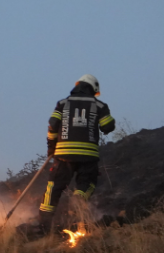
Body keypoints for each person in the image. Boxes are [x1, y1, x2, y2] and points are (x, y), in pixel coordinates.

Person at [39, 74, 115, 235]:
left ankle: (44, 225)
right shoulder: (99, 105)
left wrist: (51, 148)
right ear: (93, 89)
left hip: (63, 154)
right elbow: (108, 126)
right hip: (87, 155)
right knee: (87, 183)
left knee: (54, 187)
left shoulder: (62, 104)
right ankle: (78, 201)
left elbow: (52, 125)